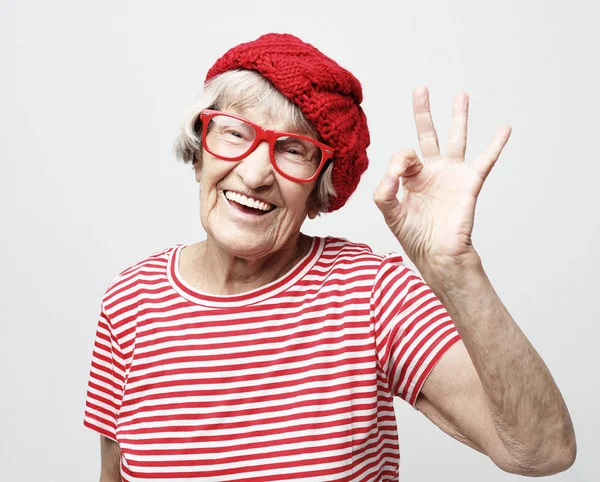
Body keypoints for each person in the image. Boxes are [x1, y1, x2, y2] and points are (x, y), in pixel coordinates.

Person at [84, 33, 576, 482]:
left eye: (294, 150)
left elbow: (542, 451)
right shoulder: (131, 300)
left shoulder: (370, 293)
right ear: (199, 153)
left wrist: (457, 271)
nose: (255, 174)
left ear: (320, 192)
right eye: (234, 132)